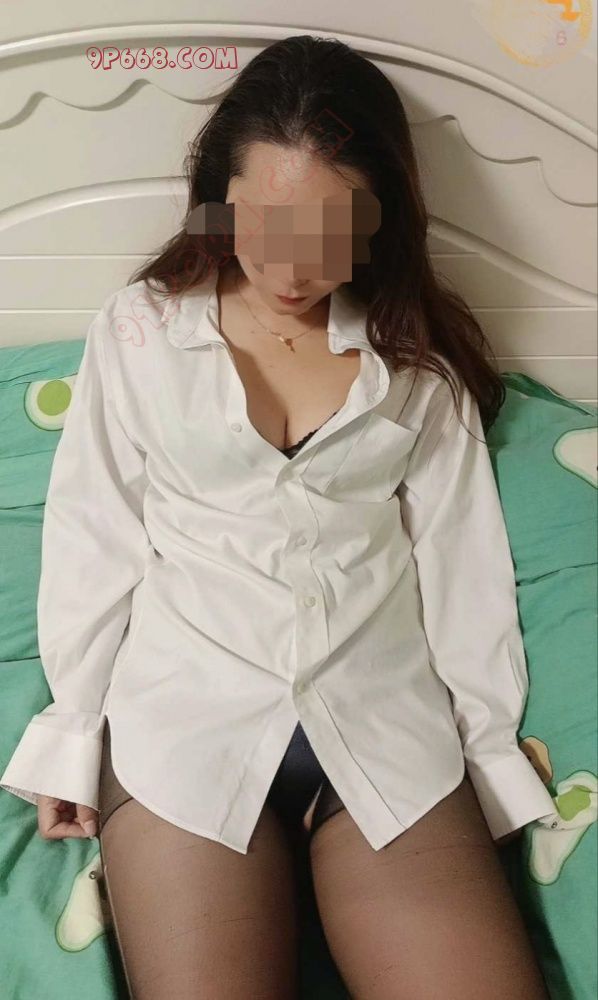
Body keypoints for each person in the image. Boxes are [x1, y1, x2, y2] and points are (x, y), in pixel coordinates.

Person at [1, 34, 558, 1000]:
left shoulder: (415, 362)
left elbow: (461, 566)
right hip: (185, 729)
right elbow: (95, 531)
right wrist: (73, 731)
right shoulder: (140, 331)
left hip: (385, 736)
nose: (293, 267)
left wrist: (491, 756)